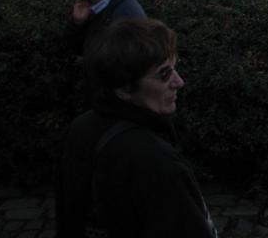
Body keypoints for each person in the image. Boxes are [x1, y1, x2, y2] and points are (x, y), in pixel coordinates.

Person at [55, 18, 217, 237]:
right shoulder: (158, 162)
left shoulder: (79, 129)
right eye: (164, 74)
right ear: (124, 89)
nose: (179, 82)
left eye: (175, 67)